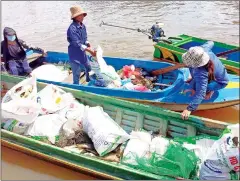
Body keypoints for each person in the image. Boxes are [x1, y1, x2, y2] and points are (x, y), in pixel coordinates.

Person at [181, 41, 229, 120]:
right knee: (194, 83)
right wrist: (193, 78)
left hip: (220, 81)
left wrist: (189, 109)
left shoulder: (201, 72)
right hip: (219, 72)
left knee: (198, 89)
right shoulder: (204, 49)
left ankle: (210, 90)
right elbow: (211, 42)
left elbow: (201, 93)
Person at [67, 5, 96, 84]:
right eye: (80, 15)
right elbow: (77, 43)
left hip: (82, 53)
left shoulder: (83, 26)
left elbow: (85, 38)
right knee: (76, 73)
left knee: (89, 68)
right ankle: (76, 87)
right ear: (75, 17)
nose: (83, 16)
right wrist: (89, 50)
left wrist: (88, 44)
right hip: (74, 54)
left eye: (83, 14)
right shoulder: (72, 28)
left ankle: (88, 81)